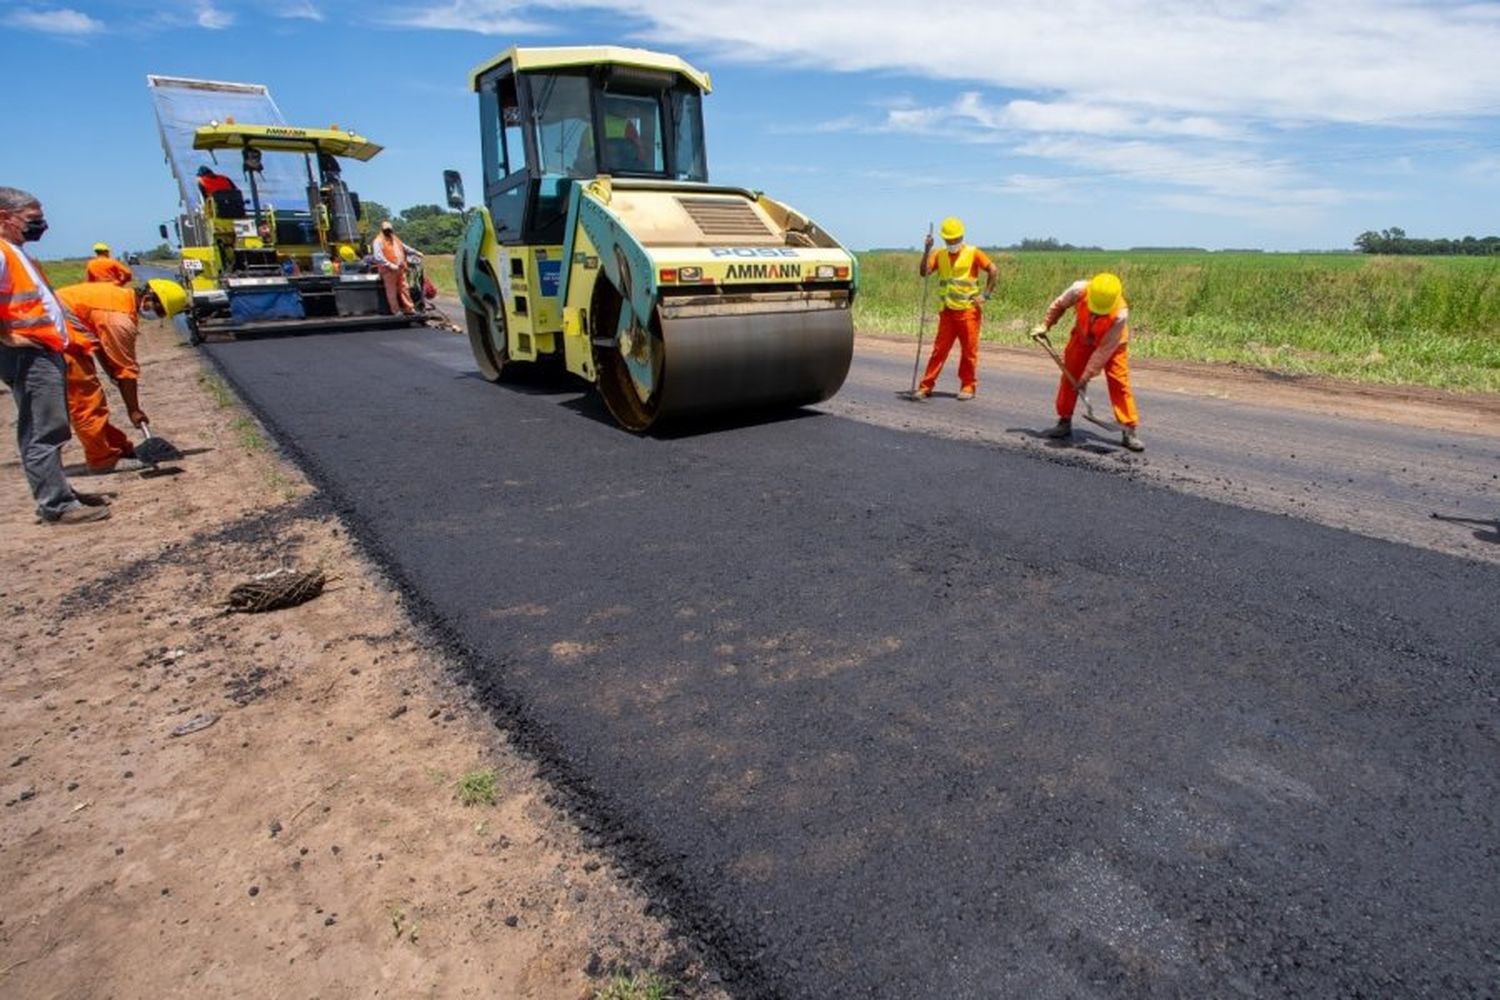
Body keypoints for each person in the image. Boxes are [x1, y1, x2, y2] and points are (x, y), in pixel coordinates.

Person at [0, 186, 110, 524]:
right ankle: (56, 505)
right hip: (27, 355)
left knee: (51, 426)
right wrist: (9, 336)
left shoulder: (16, 252)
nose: (42, 225)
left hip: (43, 351)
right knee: (43, 430)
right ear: (5, 218)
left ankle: (60, 492)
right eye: (33, 219)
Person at [55, 278, 187, 473]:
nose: (157, 316)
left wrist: (110, 372)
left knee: (92, 397)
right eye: (159, 311)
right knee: (86, 401)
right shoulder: (119, 320)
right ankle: (102, 460)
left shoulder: (118, 297)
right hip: (55, 338)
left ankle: (117, 448)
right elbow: (126, 369)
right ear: (150, 297)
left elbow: (98, 339)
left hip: (69, 334)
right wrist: (134, 410)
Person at [1032, 272, 1145, 452]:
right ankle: (1064, 421)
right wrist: (1045, 324)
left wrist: (1086, 376)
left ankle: (1128, 429)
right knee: (1070, 378)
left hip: (1113, 344)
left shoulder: (1120, 313)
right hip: (1082, 339)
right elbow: (1059, 305)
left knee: (1119, 381)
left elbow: (1103, 351)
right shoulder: (1079, 289)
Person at [914, 217, 998, 401]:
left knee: (969, 352)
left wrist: (985, 295)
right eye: (949, 240)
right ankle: (925, 386)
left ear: (961, 236)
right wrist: (926, 250)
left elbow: (993, 270)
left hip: (968, 311)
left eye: (955, 239)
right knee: (939, 351)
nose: (952, 243)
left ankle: (968, 386)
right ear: (944, 239)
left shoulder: (973, 252)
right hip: (947, 311)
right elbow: (924, 272)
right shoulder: (938, 254)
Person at [371, 220, 420, 316]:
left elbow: (404, 247)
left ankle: (409, 309)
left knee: (404, 288)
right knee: (391, 291)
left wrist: (415, 252)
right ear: (382, 230)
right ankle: (396, 311)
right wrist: (390, 265)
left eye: (389, 230)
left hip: (400, 269)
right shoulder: (378, 241)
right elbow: (378, 257)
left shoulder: (395, 239)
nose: (388, 232)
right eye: (386, 230)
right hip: (388, 270)